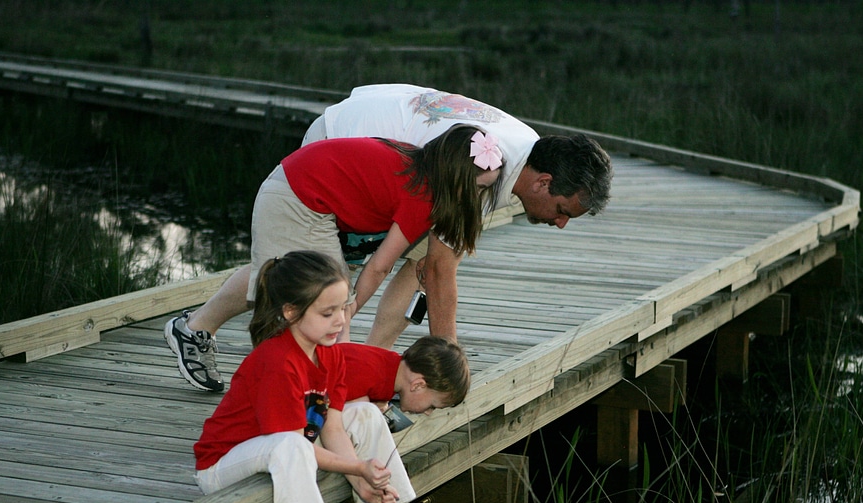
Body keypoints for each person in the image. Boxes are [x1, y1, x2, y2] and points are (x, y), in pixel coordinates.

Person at [166, 123, 502, 392]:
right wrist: (350, 306)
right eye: (476, 188)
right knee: (327, 304)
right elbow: (381, 265)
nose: (479, 197)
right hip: (298, 198)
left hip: (305, 191)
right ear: (454, 176)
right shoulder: (422, 197)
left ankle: (196, 329)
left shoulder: (420, 167)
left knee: (288, 282)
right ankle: (325, 396)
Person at [193, 250, 420, 503]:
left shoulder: (329, 354)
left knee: (364, 413)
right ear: (290, 312)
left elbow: (331, 427)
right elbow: (301, 445)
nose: (341, 321)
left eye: (343, 309)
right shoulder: (278, 361)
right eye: (327, 313)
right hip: (222, 465)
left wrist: (362, 482)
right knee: (292, 445)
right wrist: (357, 468)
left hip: (284, 450)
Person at [302, 83, 614, 349]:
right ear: (543, 182)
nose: (560, 224)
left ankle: (374, 358)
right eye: (562, 211)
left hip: (385, 151)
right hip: (335, 143)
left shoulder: (523, 149)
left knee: (421, 258)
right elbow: (441, 270)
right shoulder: (483, 170)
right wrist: (449, 360)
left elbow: (431, 263)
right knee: (324, 277)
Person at [338, 335, 470, 415]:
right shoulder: (368, 374)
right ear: (418, 385)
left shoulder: (387, 367)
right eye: (432, 406)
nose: (428, 413)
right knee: (366, 414)